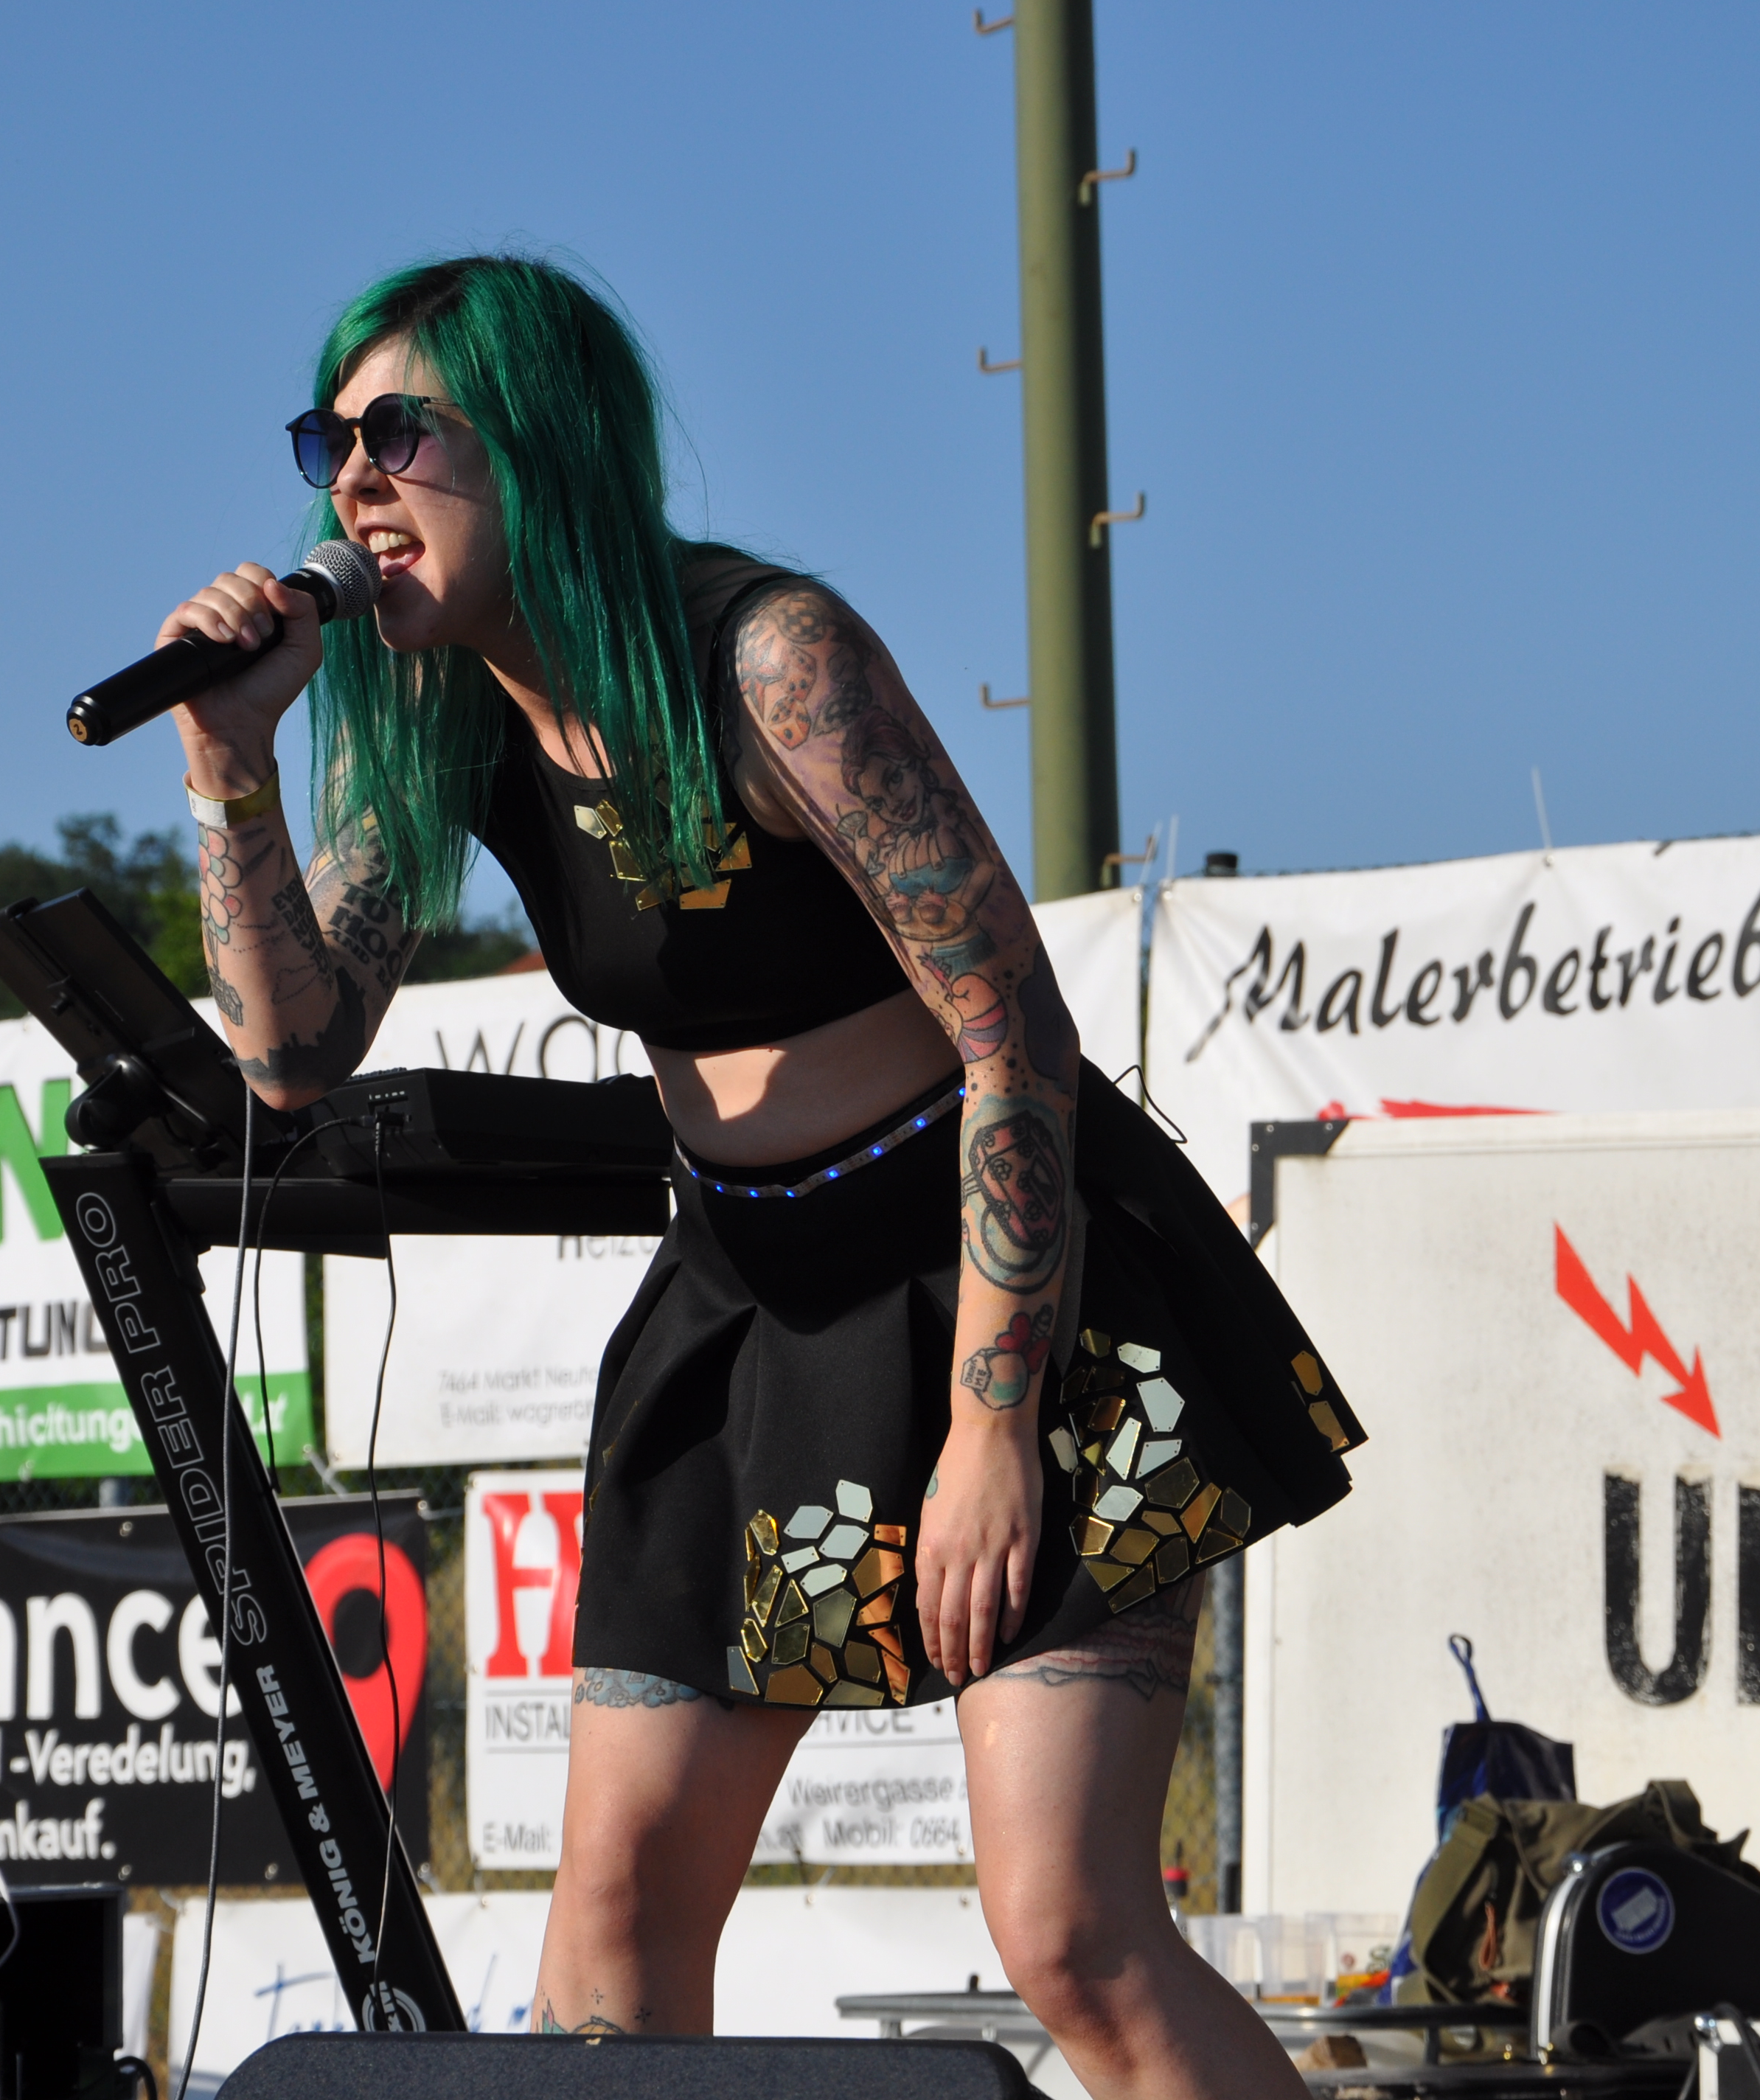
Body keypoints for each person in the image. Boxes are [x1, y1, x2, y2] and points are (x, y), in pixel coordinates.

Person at [156, 252, 1362, 2096]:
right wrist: (226, 760)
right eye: (329, 445)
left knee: (1069, 1928)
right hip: (743, 1296)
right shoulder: (437, 718)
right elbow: (288, 1050)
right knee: (611, 1921)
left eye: (399, 432)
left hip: (1003, 1278)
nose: (355, 485)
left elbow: (1012, 1033)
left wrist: (990, 1424)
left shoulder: (771, 660)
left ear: (544, 443)